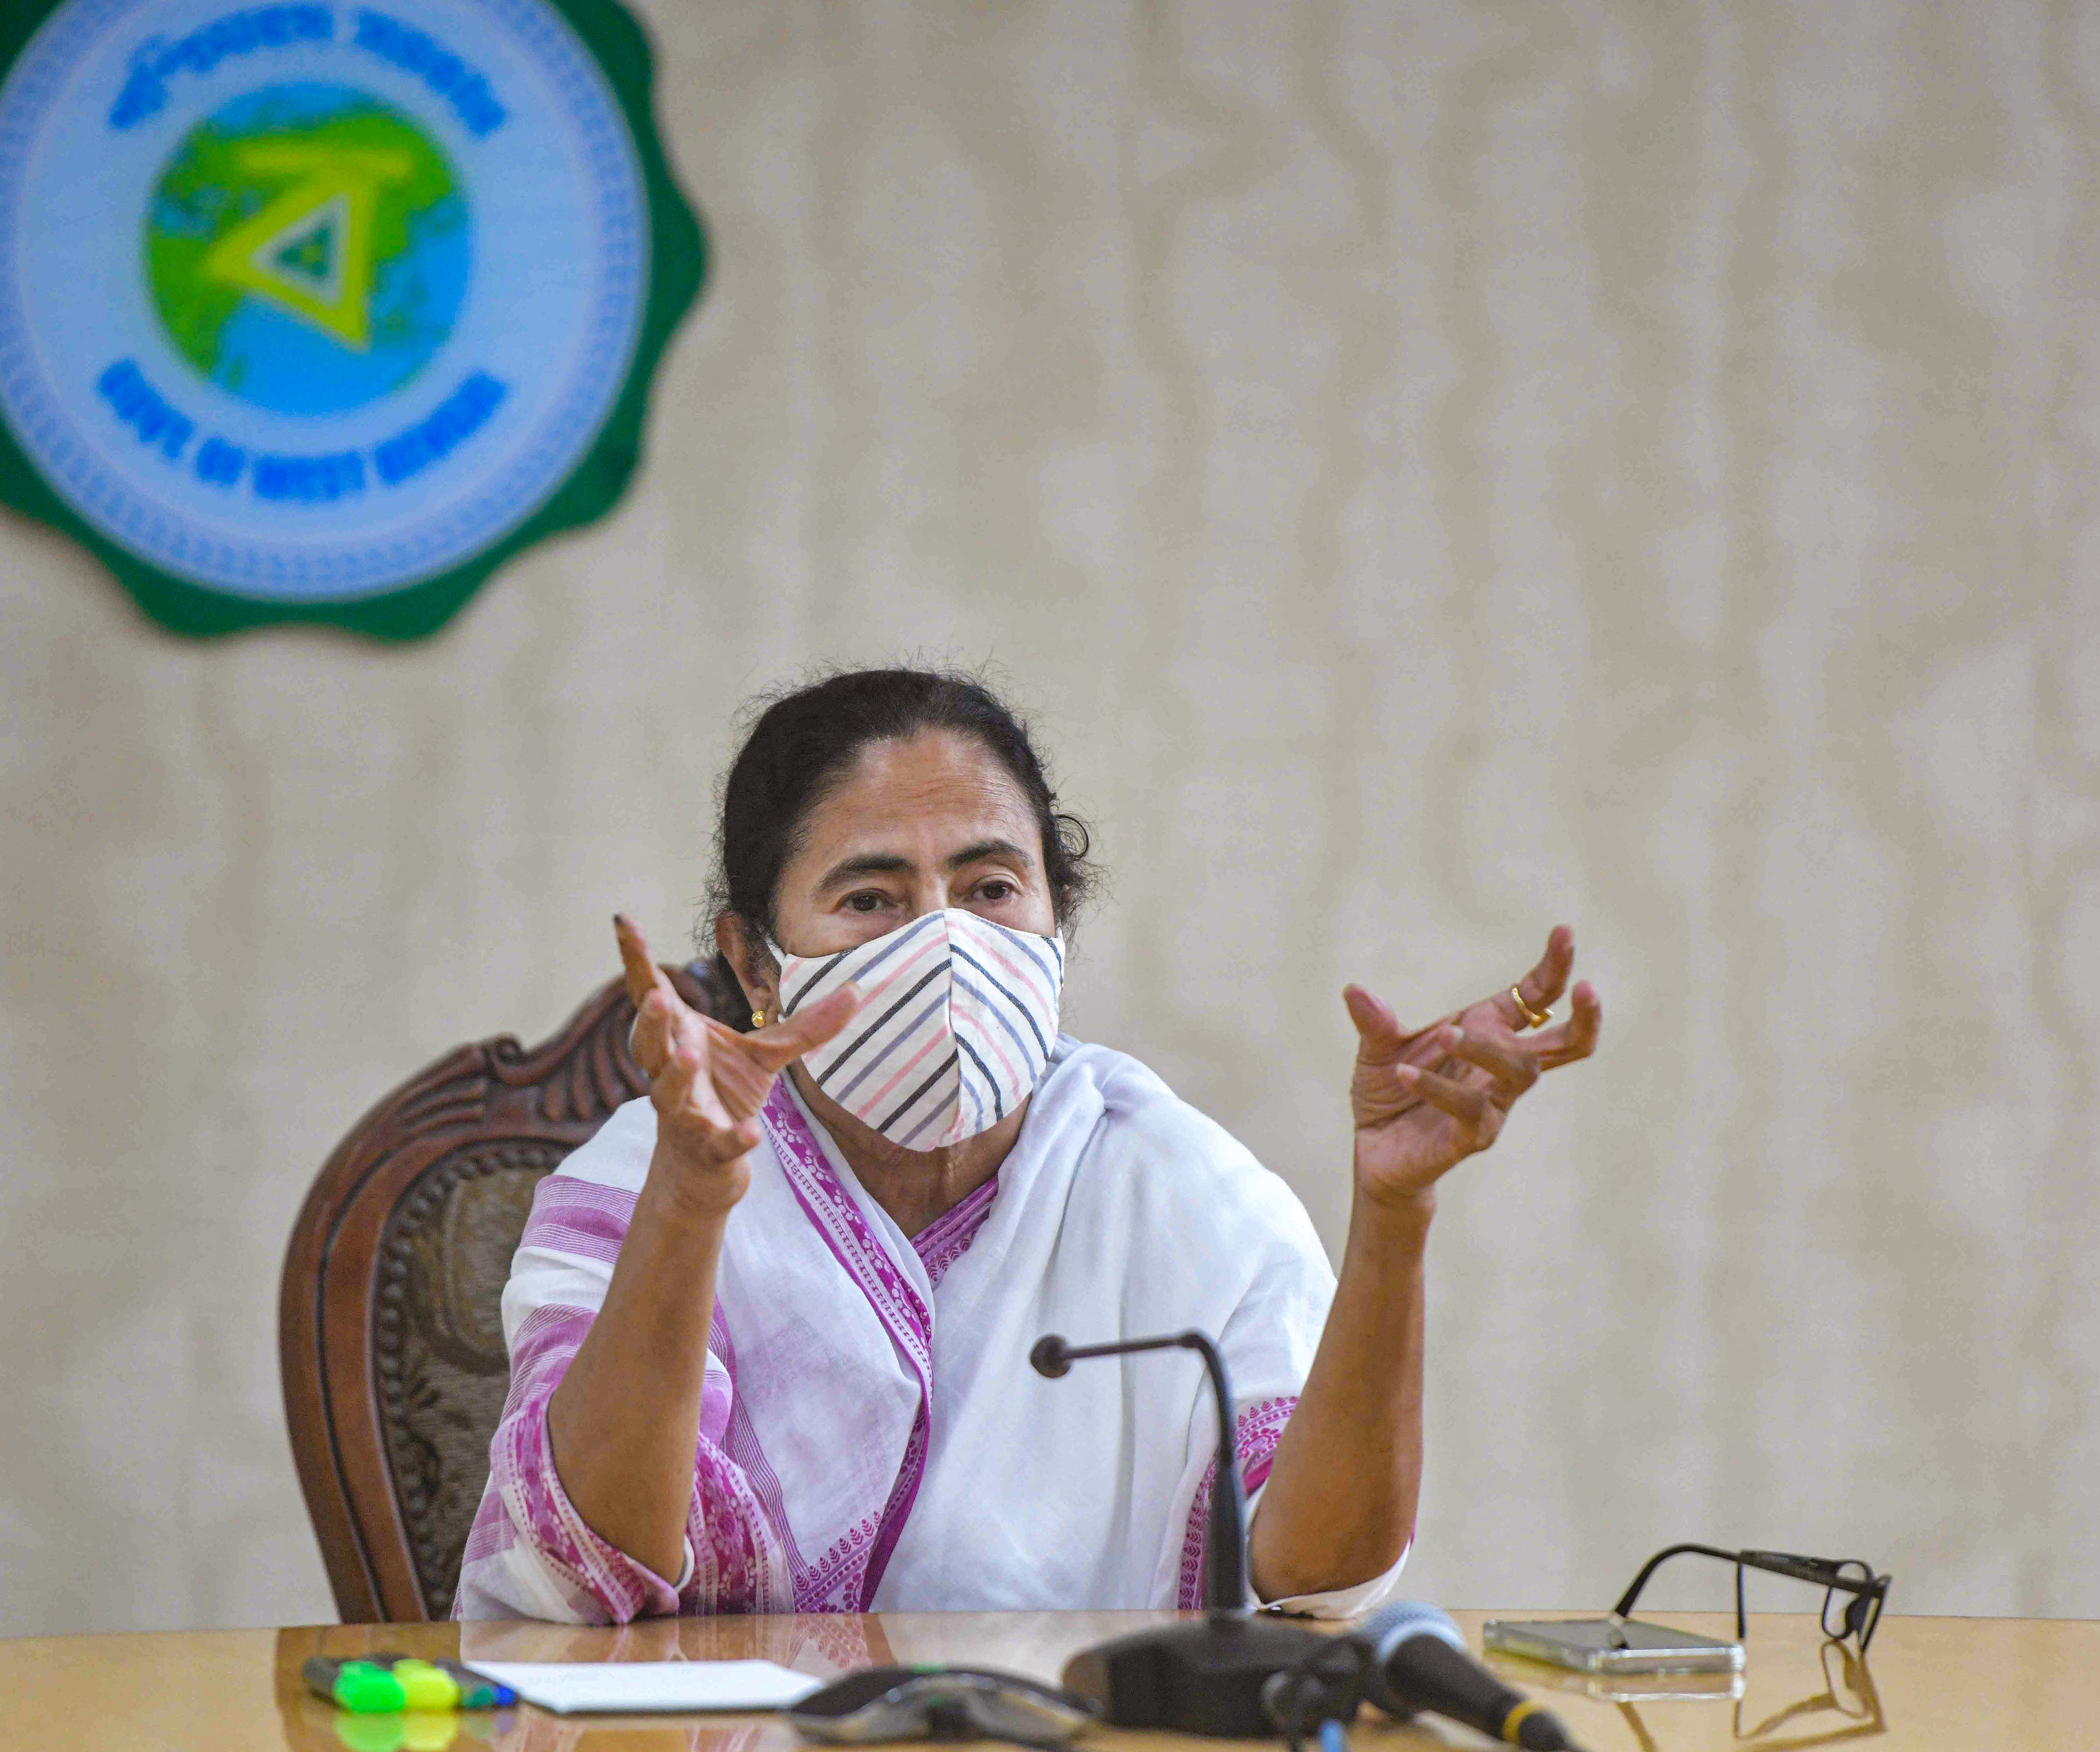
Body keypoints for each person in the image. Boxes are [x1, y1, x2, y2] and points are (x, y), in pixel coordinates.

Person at [456, 668, 1600, 1622]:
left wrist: (1392, 1222)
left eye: (992, 887)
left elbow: (1321, 1580)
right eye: (870, 898)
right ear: (757, 964)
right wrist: (693, 1203)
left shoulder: (1178, 1186)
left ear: (1058, 926)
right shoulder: (633, 1180)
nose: (946, 943)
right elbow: (581, 1571)